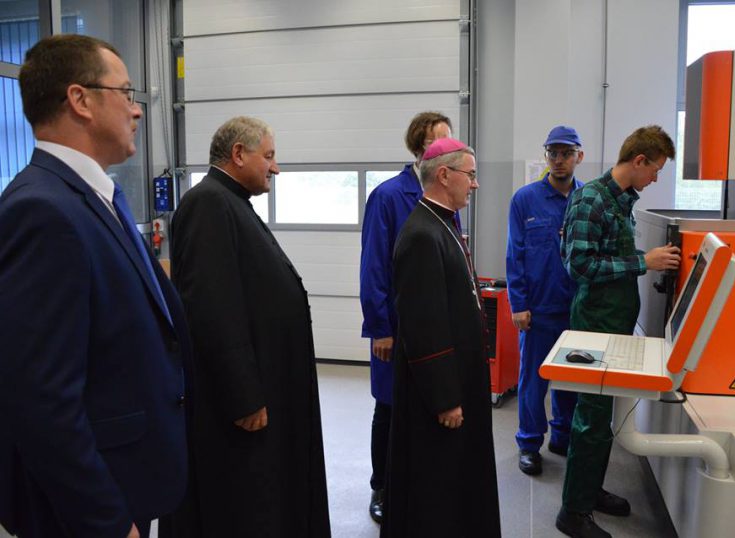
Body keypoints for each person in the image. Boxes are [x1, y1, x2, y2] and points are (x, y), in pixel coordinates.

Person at [0, 34, 191, 538]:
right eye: (125, 93)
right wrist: (106, 522)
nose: (138, 109)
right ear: (80, 100)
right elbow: (43, 401)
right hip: (89, 508)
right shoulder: (42, 210)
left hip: (129, 475)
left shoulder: (94, 197)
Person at [167, 116, 330, 538]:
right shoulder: (208, 204)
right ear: (238, 154)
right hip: (239, 403)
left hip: (267, 383)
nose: (276, 167)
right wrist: (243, 396)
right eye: (269, 156)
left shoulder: (231, 201)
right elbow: (212, 308)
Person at [555, 125, 681, 538]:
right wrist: (644, 262)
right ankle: (573, 512)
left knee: (602, 415)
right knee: (591, 418)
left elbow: (609, 255)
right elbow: (578, 266)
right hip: (595, 323)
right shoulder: (591, 199)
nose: (656, 179)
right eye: (656, 169)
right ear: (638, 160)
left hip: (614, 322)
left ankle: (589, 490)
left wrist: (644, 259)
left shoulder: (622, 200)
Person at [383, 138, 501, 537]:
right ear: (445, 175)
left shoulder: (442, 224)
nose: (475, 184)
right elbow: (424, 326)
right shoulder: (421, 234)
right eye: (471, 175)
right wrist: (445, 398)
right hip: (439, 392)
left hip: (460, 379)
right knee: (436, 483)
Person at [359, 111, 452, 523]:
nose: (446, 147)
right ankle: (382, 485)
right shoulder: (388, 196)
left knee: (425, 405)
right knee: (390, 407)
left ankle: (415, 480)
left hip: (432, 326)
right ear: (419, 147)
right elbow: (373, 267)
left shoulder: (445, 195)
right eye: (437, 141)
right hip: (395, 328)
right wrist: (379, 327)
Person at [506, 125, 585, 475]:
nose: (559, 160)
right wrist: (519, 305)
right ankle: (529, 443)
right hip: (537, 311)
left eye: (566, 153)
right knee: (533, 382)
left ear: (579, 156)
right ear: (546, 156)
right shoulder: (525, 199)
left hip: (577, 309)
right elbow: (515, 255)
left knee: (570, 378)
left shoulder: (587, 198)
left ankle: (562, 436)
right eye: (553, 153)